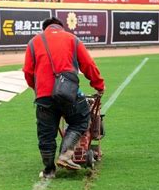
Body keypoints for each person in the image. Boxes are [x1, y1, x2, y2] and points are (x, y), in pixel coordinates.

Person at [23, 17, 105, 179]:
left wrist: (37, 89)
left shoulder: (33, 43)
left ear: (44, 28)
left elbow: (27, 72)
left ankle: (48, 170)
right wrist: (99, 85)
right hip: (69, 93)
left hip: (43, 96)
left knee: (46, 133)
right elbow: (88, 64)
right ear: (61, 27)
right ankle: (66, 155)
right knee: (80, 120)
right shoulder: (72, 39)